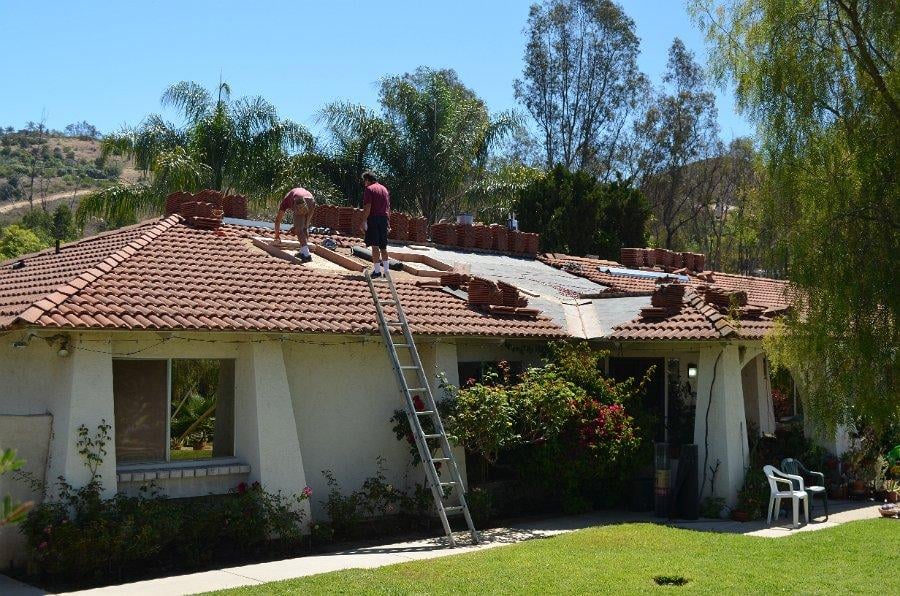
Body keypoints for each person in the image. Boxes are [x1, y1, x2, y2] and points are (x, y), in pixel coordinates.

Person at [358, 171, 391, 277]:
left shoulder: (369, 189)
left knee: (375, 246)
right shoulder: (384, 189)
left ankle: (377, 271)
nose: (364, 184)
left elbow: (368, 207)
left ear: (367, 180)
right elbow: (388, 207)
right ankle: (386, 272)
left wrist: (363, 221)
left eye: (364, 181)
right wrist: (388, 223)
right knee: (383, 247)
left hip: (374, 219)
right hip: (384, 220)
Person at [274, 187, 316, 263]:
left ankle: (306, 255)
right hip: (311, 200)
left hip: (300, 200)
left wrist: (277, 235)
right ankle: (302, 252)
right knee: (305, 228)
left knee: (299, 229)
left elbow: (278, 220)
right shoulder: (292, 194)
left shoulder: (285, 201)